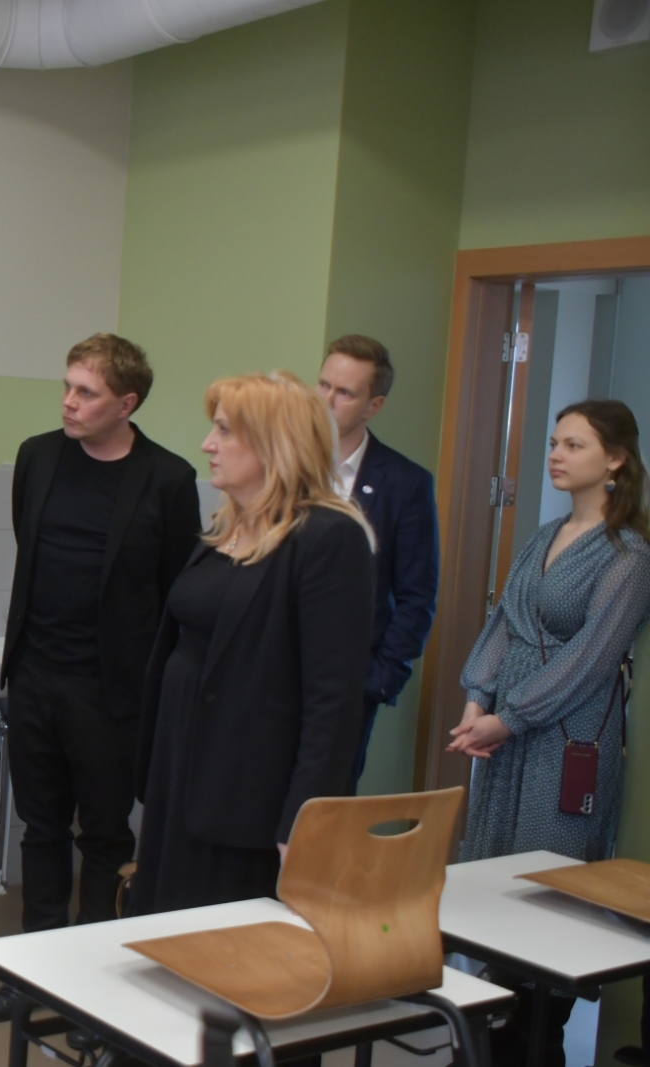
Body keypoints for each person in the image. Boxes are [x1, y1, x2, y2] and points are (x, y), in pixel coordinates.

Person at [0, 333, 201, 1029]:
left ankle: (94, 981)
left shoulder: (167, 478)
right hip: (35, 675)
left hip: (113, 691)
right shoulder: (38, 456)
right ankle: (36, 972)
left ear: (126, 403)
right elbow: (29, 544)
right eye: (68, 386)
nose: (69, 402)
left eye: (87, 392)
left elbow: (176, 591)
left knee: (104, 836)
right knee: (40, 827)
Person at [449, 400, 650, 1067]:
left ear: (615, 458)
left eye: (575, 445)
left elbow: (592, 658)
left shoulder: (629, 556)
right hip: (510, 725)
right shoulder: (544, 535)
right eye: (555, 442)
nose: (556, 455)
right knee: (495, 868)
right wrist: (478, 697)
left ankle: (536, 1034)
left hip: (567, 735)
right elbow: (504, 621)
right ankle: (493, 1029)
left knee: (549, 873)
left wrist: (510, 717)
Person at [129, 372, 373, 917]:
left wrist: (301, 821)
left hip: (248, 790)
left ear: (273, 443)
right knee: (166, 930)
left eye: (223, 431)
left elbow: (333, 701)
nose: (207, 445)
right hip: (183, 768)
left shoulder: (328, 538)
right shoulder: (228, 528)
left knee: (222, 939)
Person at [315, 335, 439, 789]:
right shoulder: (281, 464)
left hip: (347, 681)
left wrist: (380, 678)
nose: (327, 400)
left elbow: (417, 595)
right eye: (323, 385)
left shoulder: (405, 483)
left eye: (345, 393)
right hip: (267, 668)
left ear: (374, 405)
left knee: (324, 804)